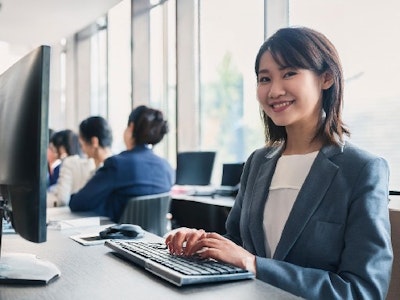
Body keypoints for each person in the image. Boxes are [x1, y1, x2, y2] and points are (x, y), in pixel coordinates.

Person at [165, 27, 393, 299]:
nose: (274, 90)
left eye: (289, 73)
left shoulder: (362, 169)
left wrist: (255, 265)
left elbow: (363, 291)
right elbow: (236, 247)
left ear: (327, 78)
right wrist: (202, 243)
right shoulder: (258, 162)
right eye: (264, 79)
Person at [69, 105, 175, 223]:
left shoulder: (117, 164)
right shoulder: (167, 167)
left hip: (119, 238)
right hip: (156, 239)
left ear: (131, 127)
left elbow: (79, 203)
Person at [47, 116, 113, 207]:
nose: (83, 150)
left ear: (94, 142)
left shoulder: (107, 168)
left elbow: (70, 200)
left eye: (82, 145)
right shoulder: (97, 166)